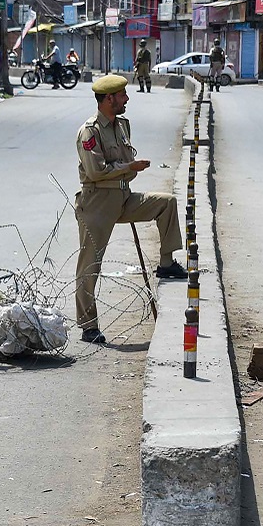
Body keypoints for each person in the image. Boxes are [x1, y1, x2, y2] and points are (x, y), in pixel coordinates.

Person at [74, 75, 187, 344]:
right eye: (122, 95)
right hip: (98, 203)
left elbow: (126, 163)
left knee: (166, 203)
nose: (126, 99)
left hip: (122, 196)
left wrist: (128, 169)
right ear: (109, 99)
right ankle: (88, 326)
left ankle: (166, 263)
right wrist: (128, 168)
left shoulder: (122, 125)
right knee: (90, 265)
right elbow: (96, 171)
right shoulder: (90, 132)